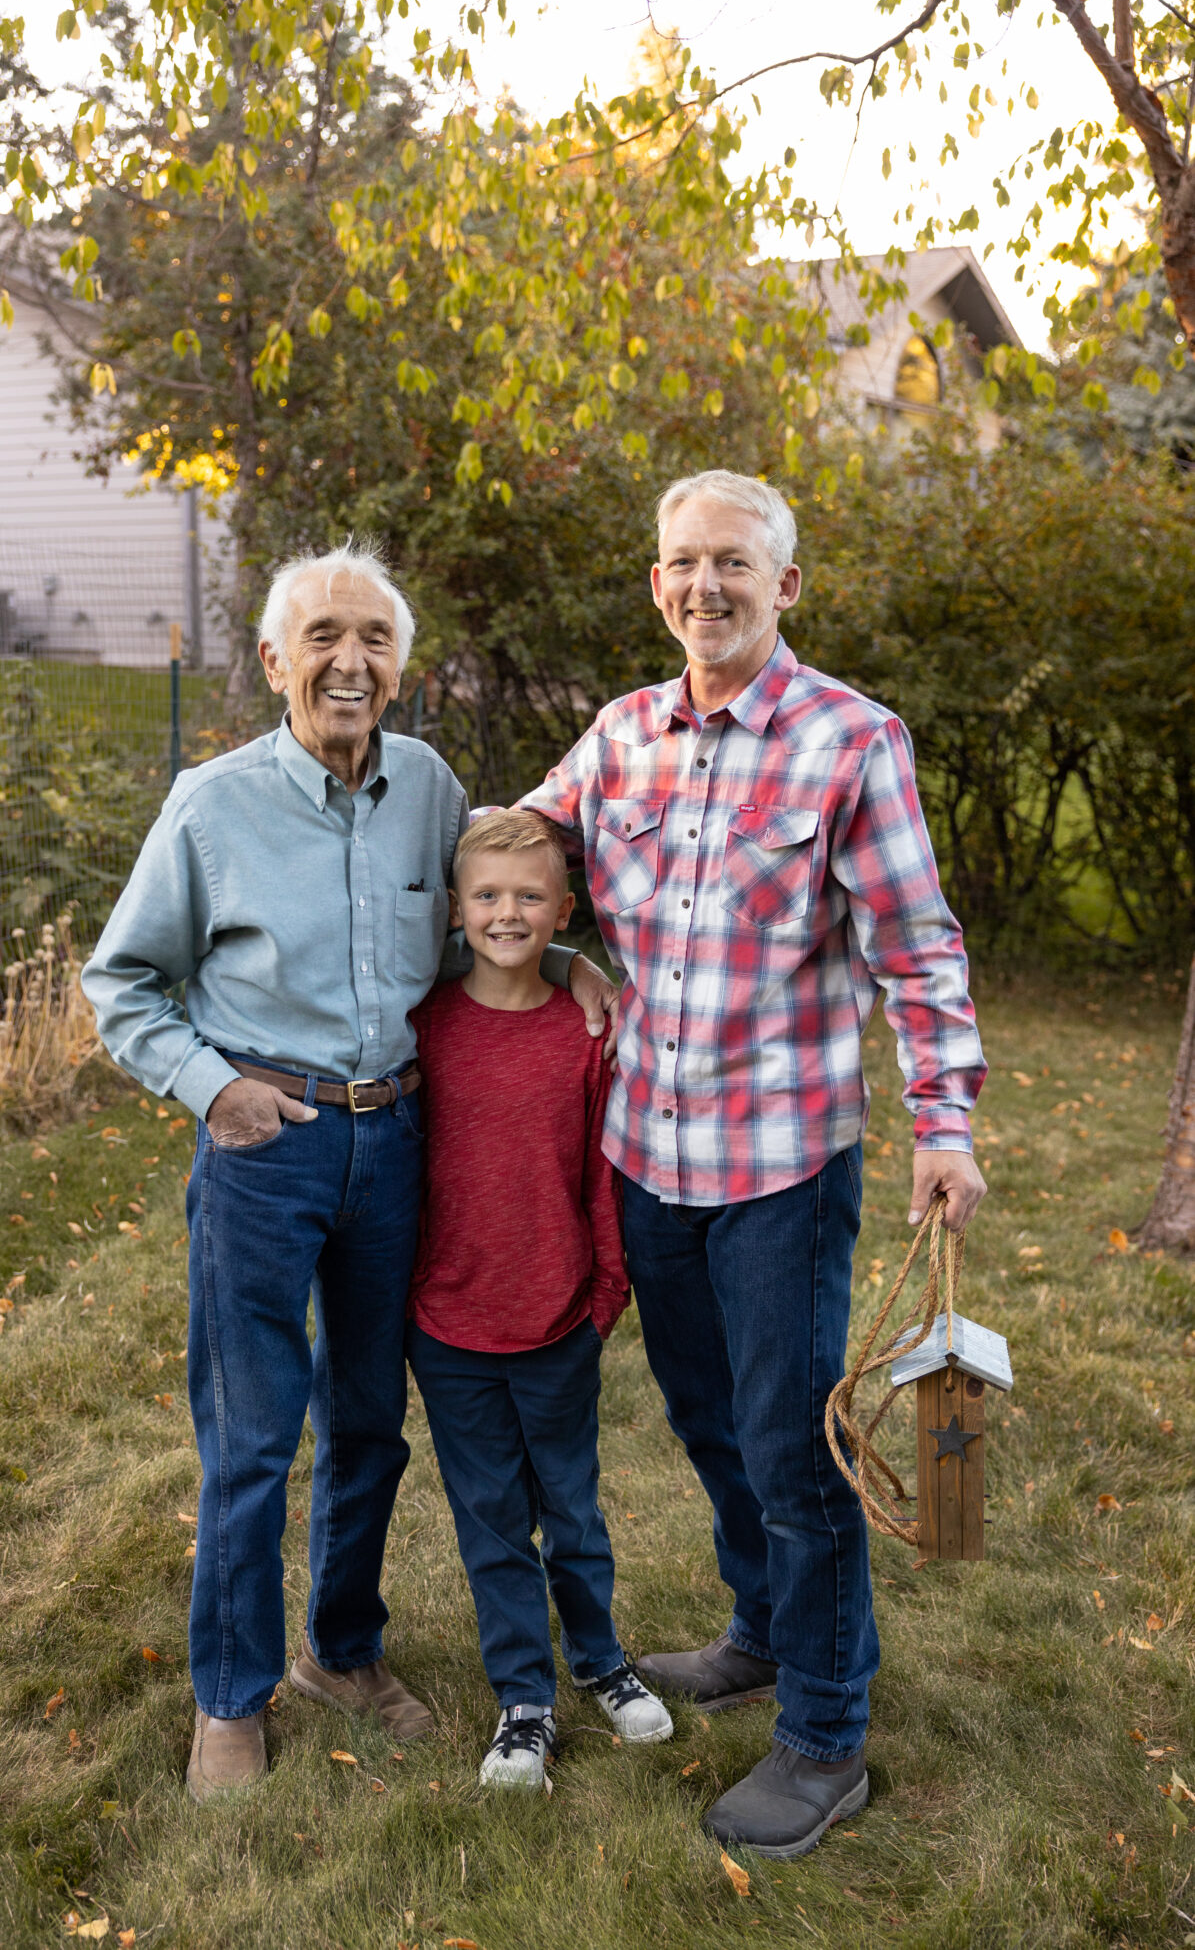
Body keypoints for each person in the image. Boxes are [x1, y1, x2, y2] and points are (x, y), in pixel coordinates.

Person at [80, 541, 615, 1803]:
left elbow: (486, 910)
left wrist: (568, 962)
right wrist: (214, 1087)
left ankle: (342, 1647)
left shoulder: (430, 787)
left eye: (373, 639)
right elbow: (121, 983)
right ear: (273, 660)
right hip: (267, 1144)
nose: (348, 660)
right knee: (254, 1431)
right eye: (322, 635)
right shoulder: (211, 806)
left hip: (396, 1143)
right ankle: (230, 1693)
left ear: (400, 666)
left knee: (369, 1420)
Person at [520, 469, 989, 1859]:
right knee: (710, 1424)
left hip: (780, 1164)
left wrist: (945, 1119)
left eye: (732, 562)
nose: (703, 585)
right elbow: (514, 854)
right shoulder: (615, 740)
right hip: (646, 1164)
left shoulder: (850, 741)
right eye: (680, 563)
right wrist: (550, 947)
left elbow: (918, 949)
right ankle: (764, 1631)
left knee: (794, 1447)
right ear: (654, 585)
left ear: (783, 585)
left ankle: (826, 1731)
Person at [406, 810, 672, 1790]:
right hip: (448, 1323)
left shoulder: (586, 1028)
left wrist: (604, 1294)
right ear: (453, 910)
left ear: (563, 910)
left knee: (570, 1504)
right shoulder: (423, 1028)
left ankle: (599, 1657)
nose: (505, 912)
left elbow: (603, 1173)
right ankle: (523, 1697)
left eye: (528, 897)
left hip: (559, 1315)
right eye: (485, 895)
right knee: (490, 1515)